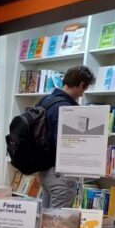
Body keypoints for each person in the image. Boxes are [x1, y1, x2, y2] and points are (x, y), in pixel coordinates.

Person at [36, 65, 96, 209]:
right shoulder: (67, 108)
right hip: (60, 173)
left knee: (46, 219)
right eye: (85, 89)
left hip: (44, 171)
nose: (82, 94)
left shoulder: (45, 101)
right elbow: (66, 144)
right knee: (58, 225)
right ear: (81, 85)